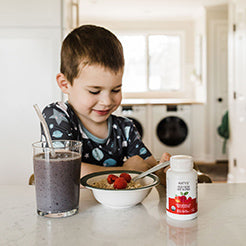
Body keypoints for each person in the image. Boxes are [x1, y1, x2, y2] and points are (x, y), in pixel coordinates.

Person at [41, 24, 170, 185]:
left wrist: (163, 169)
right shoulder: (57, 116)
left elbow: (148, 168)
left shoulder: (125, 128)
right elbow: (62, 170)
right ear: (65, 84)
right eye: (94, 91)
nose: (107, 101)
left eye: (116, 90)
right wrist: (125, 172)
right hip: (76, 208)